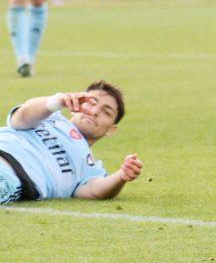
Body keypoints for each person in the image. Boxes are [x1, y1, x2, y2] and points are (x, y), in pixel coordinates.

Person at [0, 82, 142, 204]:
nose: (94, 111)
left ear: (111, 130)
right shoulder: (48, 116)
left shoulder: (91, 167)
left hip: (11, 176)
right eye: (91, 103)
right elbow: (21, 117)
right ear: (75, 108)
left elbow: (95, 191)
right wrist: (58, 101)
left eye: (106, 112)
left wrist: (122, 175)